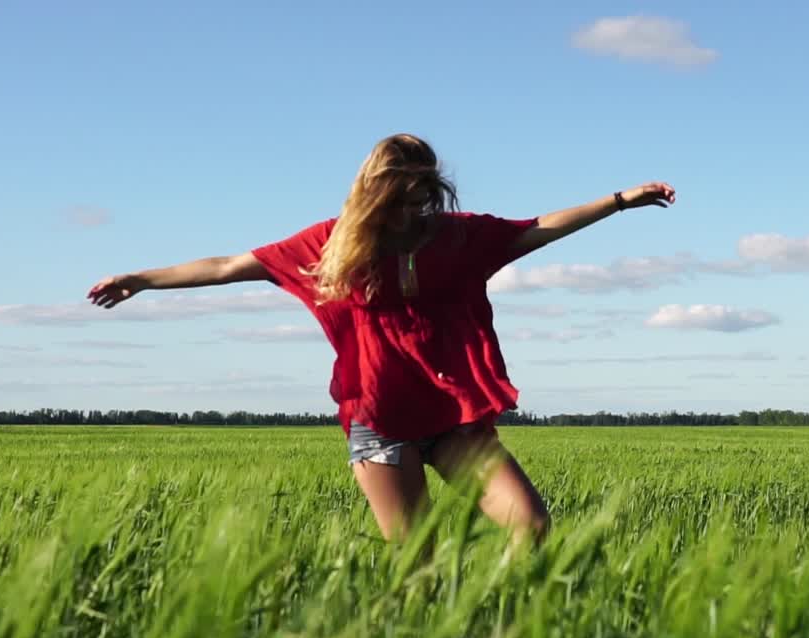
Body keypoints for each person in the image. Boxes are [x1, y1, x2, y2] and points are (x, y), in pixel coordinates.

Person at [87, 133, 675, 548]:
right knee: (414, 564)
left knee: (533, 525)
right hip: (380, 421)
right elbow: (227, 266)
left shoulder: (458, 237)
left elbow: (537, 229)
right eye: (402, 198)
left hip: (453, 415)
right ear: (376, 192)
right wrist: (143, 279)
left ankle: (506, 630)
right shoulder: (332, 244)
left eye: (423, 196)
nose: (413, 210)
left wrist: (619, 202)